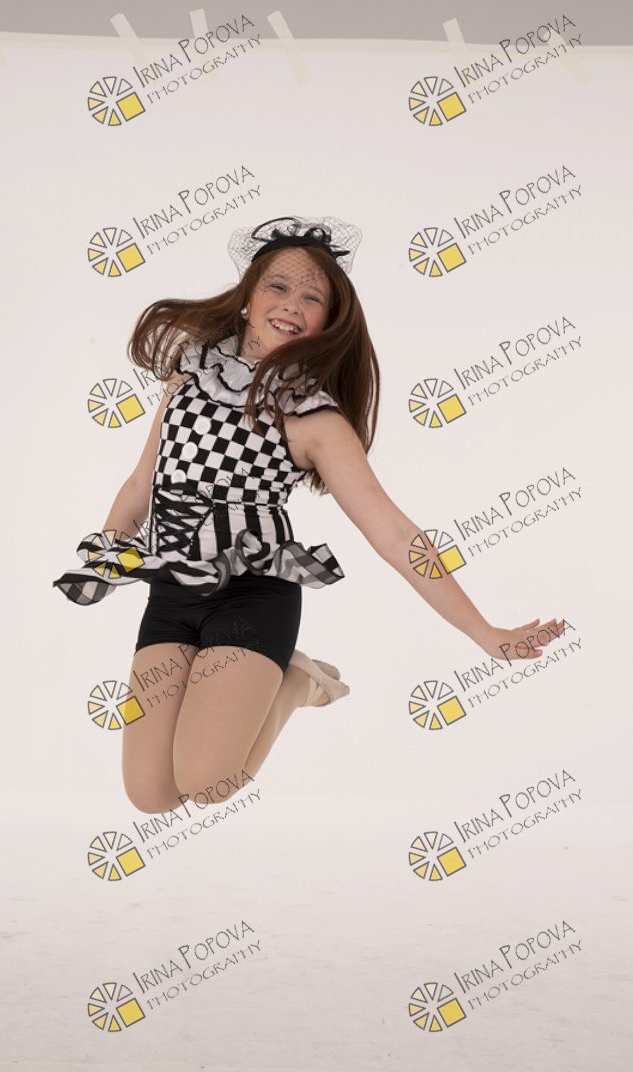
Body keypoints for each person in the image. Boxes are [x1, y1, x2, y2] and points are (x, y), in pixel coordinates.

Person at [53, 214, 564, 814]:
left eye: (312, 297)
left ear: (326, 322)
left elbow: (394, 534)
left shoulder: (313, 419)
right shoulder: (188, 376)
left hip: (252, 597)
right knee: (152, 796)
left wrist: (484, 631)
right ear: (247, 299)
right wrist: (108, 554)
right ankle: (275, 682)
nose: (292, 304)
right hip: (170, 594)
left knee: (207, 783)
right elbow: (144, 482)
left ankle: (297, 682)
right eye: (278, 286)